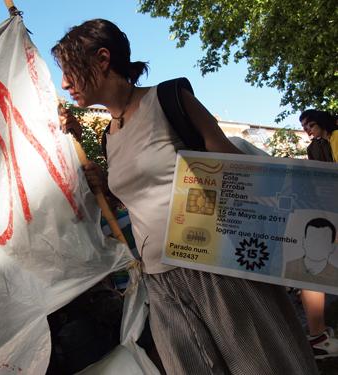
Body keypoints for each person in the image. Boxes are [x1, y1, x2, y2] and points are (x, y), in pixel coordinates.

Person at [53, 18, 317, 374]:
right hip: (160, 283)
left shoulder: (169, 100)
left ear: (102, 59)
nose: (65, 83)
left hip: (217, 269)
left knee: (262, 365)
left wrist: (307, 209)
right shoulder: (109, 136)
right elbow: (142, 198)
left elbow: (235, 168)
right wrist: (104, 186)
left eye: (70, 70)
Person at [295, 109, 338, 359]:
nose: (307, 130)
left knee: (312, 272)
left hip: (330, 208)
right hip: (328, 208)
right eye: (304, 127)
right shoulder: (317, 147)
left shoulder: (335, 138)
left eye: (310, 124)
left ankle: (318, 335)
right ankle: (318, 336)